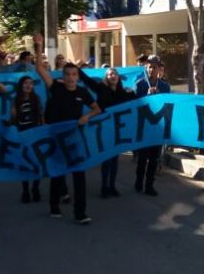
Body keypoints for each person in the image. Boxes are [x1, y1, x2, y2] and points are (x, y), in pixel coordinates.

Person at [35, 35, 101, 224]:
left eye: (74, 75)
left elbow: (97, 109)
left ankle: (80, 213)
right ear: (63, 76)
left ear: (78, 77)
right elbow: (39, 69)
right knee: (58, 174)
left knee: (79, 176)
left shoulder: (83, 93)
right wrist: (39, 47)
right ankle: (54, 205)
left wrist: (86, 116)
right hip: (57, 139)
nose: (71, 78)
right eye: (68, 75)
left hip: (75, 140)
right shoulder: (56, 88)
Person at [81, 66, 135, 198]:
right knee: (107, 159)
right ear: (106, 77)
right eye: (110, 74)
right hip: (105, 128)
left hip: (118, 129)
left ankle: (112, 186)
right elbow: (87, 80)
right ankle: (104, 187)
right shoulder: (101, 88)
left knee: (115, 159)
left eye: (115, 73)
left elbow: (137, 104)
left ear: (118, 77)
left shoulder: (124, 91)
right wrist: (77, 69)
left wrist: (132, 93)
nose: (113, 76)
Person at [134, 55, 171, 195]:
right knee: (142, 158)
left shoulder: (164, 86)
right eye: (149, 67)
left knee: (154, 158)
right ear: (146, 68)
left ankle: (149, 184)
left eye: (154, 67)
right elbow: (135, 104)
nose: (152, 70)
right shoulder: (140, 84)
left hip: (157, 127)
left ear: (159, 69)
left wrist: (160, 95)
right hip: (144, 127)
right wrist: (146, 96)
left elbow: (168, 104)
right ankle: (139, 181)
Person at [12, 75, 44, 203]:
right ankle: (25, 190)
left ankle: (35, 188)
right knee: (24, 164)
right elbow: (13, 119)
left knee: (37, 163)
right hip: (22, 134)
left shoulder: (36, 99)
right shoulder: (16, 100)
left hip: (35, 134)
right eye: (26, 83)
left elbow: (41, 115)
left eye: (31, 83)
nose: (28, 85)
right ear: (21, 85)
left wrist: (42, 129)